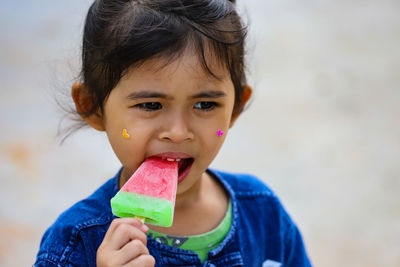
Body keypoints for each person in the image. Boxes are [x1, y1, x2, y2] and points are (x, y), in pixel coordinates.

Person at [35, 0, 312, 266]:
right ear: (93, 106)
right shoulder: (74, 243)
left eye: (205, 104)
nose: (178, 133)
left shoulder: (264, 214)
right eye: (151, 105)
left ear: (235, 108)